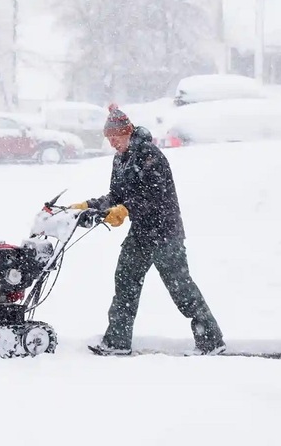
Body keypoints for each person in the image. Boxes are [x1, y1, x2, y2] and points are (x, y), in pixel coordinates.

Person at [70, 103, 226, 356]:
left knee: (180, 288)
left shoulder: (150, 155)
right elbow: (117, 195)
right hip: (141, 234)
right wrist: (89, 205)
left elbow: (153, 196)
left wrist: (125, 210)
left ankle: (211, 341)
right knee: (125, 281)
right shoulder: (121, 159)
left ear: (128, 131)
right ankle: (117, 342)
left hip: (165, 233)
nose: (112, 143)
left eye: (115, 137)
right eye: (108, 139)